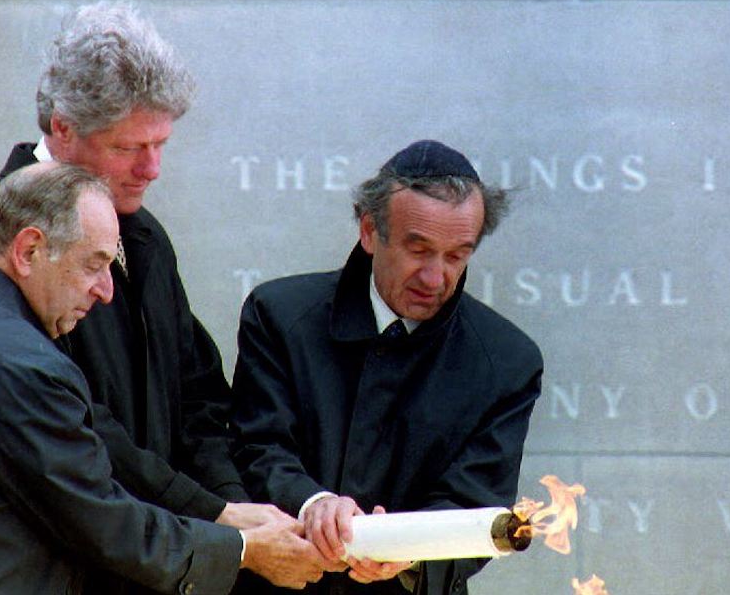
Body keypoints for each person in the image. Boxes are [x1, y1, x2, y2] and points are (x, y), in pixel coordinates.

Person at [0, 4, 285, 591]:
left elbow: (198, 399)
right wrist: (218, 521)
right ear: (62, 127)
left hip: (150, 560)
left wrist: (236, 511)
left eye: (161, 143)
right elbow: (66, 428)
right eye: (128, 148)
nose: (152, 168)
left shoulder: (143, 234)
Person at [0, 163, 327, 594]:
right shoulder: (29, 366)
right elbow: (111, 526)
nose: (106, 291)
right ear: (29, 250)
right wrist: (244, 550)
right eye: (94, 264)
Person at [231, 140, 544, 595]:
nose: (435, 278)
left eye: (457, 255)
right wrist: (313, 504)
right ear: (369, 230)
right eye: (418, 250)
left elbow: (475, 501)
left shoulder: (508, 360)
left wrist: (409, 550)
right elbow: (257, 447)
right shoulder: (279, 315)